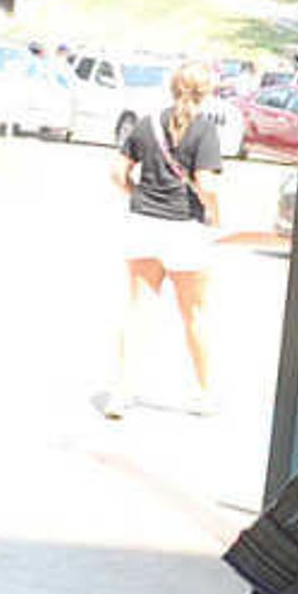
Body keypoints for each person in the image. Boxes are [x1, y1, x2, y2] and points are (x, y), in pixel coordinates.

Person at [96, 58, 230, 420]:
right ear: (207, 94)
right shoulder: (205, 131)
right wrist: (215, 212)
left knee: (138, 308)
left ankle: (121, 392)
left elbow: (116, 172)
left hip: (143, 223)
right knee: (194, 315)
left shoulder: (146, 124)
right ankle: (204, 393)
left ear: (172, 88)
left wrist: (136, 193)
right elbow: (206, 184)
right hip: (185, 227)